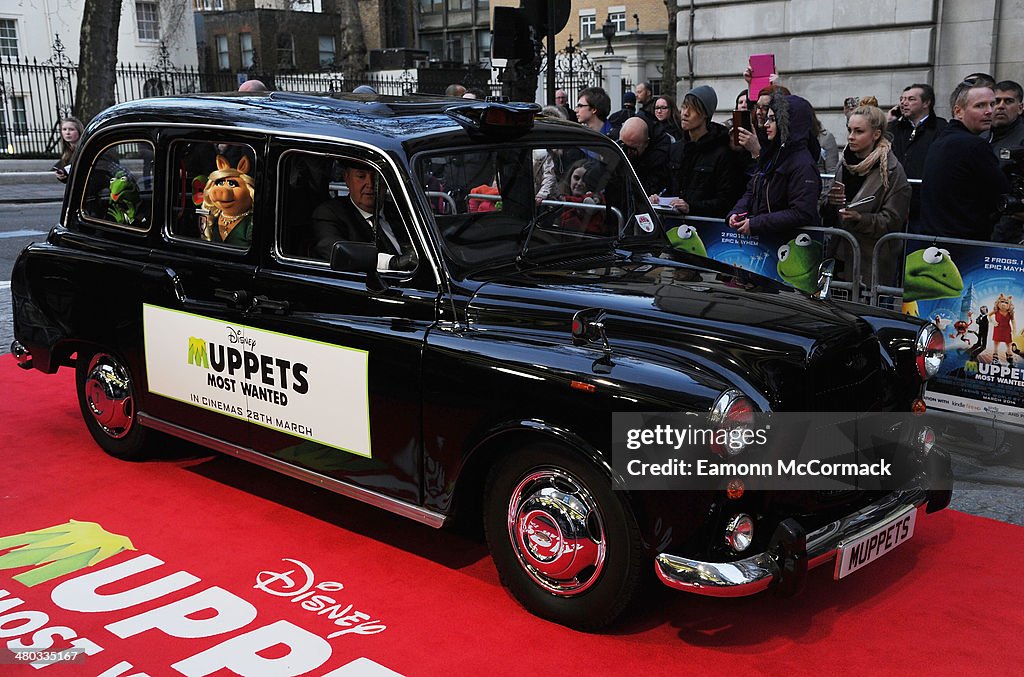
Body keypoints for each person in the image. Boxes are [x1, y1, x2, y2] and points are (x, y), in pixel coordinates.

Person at [821, 105, 911, 287]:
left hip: (871, 261)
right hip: (840, 255)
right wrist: (831, 203)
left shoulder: (891, 169)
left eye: (859, 131)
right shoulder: (845, 162)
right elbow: (826, 210)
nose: (850, 136)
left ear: (876, 134)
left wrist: (860, 218)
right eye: (849, 130)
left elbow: (894, 219)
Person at [920, 80, 1010, 240]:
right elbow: (1001, 192)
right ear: (958, 111)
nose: (990, 111)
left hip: (937, 241)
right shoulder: (973, 145)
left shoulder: (942, 139)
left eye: (992, 104)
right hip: (964, 245)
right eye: (980, 106)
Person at [727, 93, 822, 237]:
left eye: (772, 119)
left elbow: (802, 212)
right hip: (769, 241)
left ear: (786, 124)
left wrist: (756, 224)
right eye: (767, 119)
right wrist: (736, 213)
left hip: (792, 245)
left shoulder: (803, 163)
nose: (766, 124)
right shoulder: (772, 154)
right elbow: (752, 191)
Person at [656, 85, 745, 218]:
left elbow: (726, 200)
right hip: (674, 227)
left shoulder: (722, 152)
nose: (685, 113)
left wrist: (691, 207)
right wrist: (658, 198)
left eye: (692, 109)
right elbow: (666, 186)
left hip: (707, 230)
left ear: (705, 114)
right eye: (684, 107)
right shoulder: (676, 149)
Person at [309, 162, 415, 270]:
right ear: (347, 179)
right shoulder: (330, 213)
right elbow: (335, 251)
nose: (370, 184)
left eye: (377, 176)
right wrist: (391, 263)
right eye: (361, 176)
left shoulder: (401, 212)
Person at [890, 83, 946, 231]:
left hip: (926, 202)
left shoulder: (941, 128)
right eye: (902, 99)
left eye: (911, 99)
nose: (904, 103)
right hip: (895, 200)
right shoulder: (892, 129)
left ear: (926, 103)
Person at [990, 80, 1024, 243]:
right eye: (996, 101)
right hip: (980, 219)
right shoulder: (982, 134)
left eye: (1008, 101)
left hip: (1011, 224)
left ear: (1020, 107)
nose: (1001, 106)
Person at [618, 116, 671, 196]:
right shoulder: (616, 142)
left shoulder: (660, 154)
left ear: (646, 143)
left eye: (633, 149)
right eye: (624, 146)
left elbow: (650, 188)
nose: (627, 152)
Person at [557, 159, 606, 233]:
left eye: (584, 180)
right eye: (576, 178)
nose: (579, 183)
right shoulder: (557, 195)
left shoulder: (597, 200)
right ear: (570, 178)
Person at [54, 116, 84, 183]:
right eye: (64, 129)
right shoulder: (67, 152)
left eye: (71, 129)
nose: (67, 132)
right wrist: (61, 176)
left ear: (79, 131)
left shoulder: (84, 149)